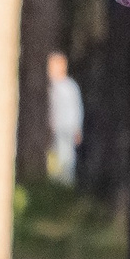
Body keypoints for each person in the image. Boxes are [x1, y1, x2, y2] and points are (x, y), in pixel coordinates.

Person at [46, 51, 84, 184]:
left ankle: (65, 184)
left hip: (66, 128)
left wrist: (77, 128)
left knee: (66, 158)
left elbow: (77, 107)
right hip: (54, 128)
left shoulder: (69, 86)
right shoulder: (50, 86)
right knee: (53, 158)